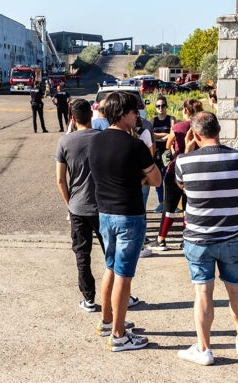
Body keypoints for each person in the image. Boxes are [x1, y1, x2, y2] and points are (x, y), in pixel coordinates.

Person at [175, 111, 238, 365]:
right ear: (219, 130)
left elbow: (183, 187)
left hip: (198, 239)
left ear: (195, 134)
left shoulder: (184, 162)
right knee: (236, 289)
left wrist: (187, 150)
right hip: (232, 236)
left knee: (203, 292)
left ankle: (204, 349)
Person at [88, 91, 161, 352]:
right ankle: (119, 336)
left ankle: (107, 321)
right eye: (134, 113)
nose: (137, 117)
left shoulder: (95, 142)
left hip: (104, 213)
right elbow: (156, 180)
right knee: (124, 275)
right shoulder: (135, 146)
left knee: (110, 267)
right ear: (123, 114)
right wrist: (138, 179)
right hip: (129, 215)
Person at [55, 99, 103, 312]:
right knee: (111, 251)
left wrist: (69, 203)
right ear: (91, 116)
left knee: (82, 255)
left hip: (78, 207)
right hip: (104, 206)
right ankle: (122, 295)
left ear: (72, 119)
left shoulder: (65, 143)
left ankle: (89, 299)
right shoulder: (103, 138)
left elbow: (60, 180)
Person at [153, 98, 203, 251]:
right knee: (189, 208)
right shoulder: (201, 128)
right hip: (195, 170)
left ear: (185, 111)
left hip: (176, 168)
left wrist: (175, 149)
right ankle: (186, 239)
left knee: (169, 207)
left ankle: (161, 240)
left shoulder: (178, 127)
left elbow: (168, 145)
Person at [132, 115, 155, 258]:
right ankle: (140, 244)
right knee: (141, 209)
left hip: (127, 177)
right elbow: (150, 154)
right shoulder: (144, 133)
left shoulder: (121, 133)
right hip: (143, 175)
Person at [152, 95, 176, 213]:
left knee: (169, 177)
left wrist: (159, 136)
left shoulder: (171, 119)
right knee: (158, 179)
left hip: (167, 152)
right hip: (156, 152)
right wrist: (165, 136)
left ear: (166, 106)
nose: (160, 108)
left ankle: (171, 203)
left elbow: (172, 134)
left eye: (163, 105)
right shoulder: (153, 120)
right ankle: (161, 203)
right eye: (158, 106)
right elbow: (152, 135)